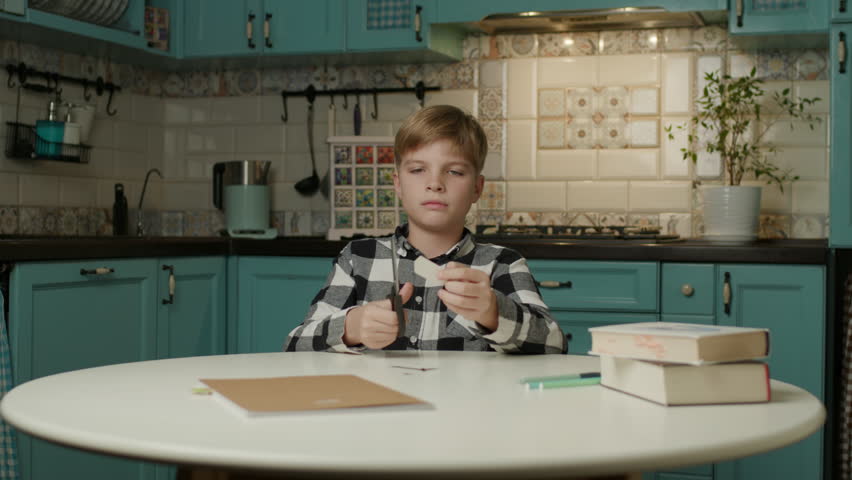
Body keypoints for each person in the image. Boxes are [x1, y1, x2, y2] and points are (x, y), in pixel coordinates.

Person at [285, 105, 566, 354]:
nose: (435, 183)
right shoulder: (357, 258)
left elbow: (554, 344)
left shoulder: (502, 264)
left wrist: (494, 312)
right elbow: (296, 344)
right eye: (418, 170)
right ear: (398, 184)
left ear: (477, 188)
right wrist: (351, 327)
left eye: (454, 171)